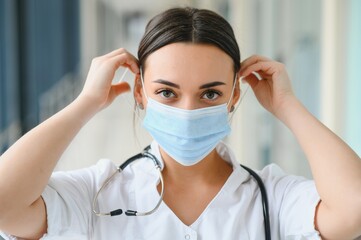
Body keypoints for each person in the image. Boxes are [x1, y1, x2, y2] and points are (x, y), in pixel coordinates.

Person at [0, 7, 360, 240]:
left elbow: (354, 208)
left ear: (235, 95)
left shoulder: (274, 199)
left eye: (209, 94)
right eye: (168, 93)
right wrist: (84, 104)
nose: (188, 111)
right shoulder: (96, 194)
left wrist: (287, 106)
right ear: (140, 92)